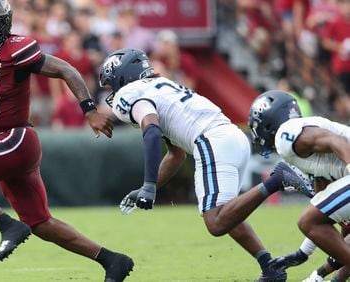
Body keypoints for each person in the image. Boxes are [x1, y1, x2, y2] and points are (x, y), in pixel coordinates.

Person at [0, 1, 133, 281]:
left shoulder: (18, 48)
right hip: (1, 143)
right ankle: (112, 260)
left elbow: (66, 69)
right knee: (40, 223)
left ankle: (7, 225)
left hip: (16, 137)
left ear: (4, 25)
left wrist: (90, 110)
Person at [98, 48, 311, 281]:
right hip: (232, 136)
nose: (112, 92)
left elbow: (151, 131)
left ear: (122, 76)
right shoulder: (161, 86)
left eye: (111, 84)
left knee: (216, 221)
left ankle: (276, 179)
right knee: (228, 213)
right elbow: (175, 155)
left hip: (210, 140)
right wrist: (148, 186)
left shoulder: (129, 93)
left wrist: (149, 185)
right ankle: (270, 267)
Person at [248, 90, 350, 270]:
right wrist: (302, 253)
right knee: (341, 227)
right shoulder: (301, 143)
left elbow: (337, 141)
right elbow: (322, 210)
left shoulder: (284, 135)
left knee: (307, 221)